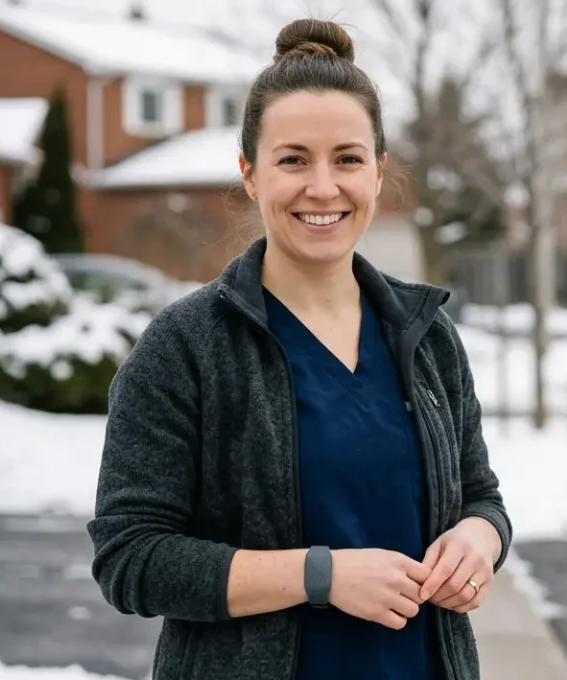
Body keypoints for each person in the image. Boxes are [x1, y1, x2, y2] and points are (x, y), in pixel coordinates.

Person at [87, 17, 512, 680]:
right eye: (293, 160)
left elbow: (481, 496)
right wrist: (320, 576)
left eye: (347, 158)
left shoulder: (426, 335)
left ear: (378, 173)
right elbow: (132, 557)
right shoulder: (186, 347)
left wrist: (479, 540)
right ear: (250, 175)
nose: (323, 187)